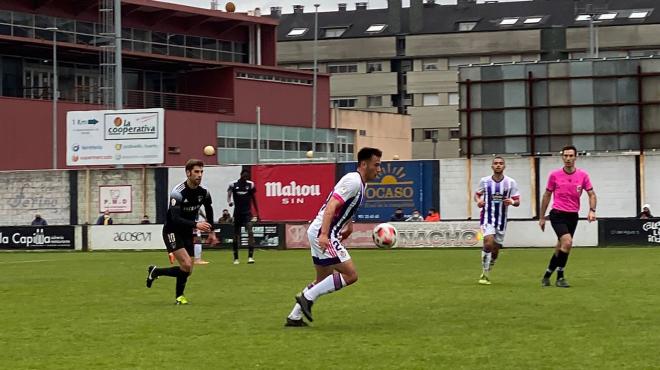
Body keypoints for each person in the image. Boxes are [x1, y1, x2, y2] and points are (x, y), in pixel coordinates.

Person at [285, 147, 382, 327]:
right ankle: (307, 297)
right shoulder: (353, 180)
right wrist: (324, 234)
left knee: (323, 280)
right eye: (376, 165)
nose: (379, 169)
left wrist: (349, 226)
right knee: (351, 275)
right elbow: (331, 205)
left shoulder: (360, 183)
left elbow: (345, 207)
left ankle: (294, 317)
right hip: (324, 232)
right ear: (363, 164)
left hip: (323, 231)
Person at [145, 159, 218, 305]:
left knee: (188, 269)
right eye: (196, 172)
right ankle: (179, 297)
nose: (199, 175)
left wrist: (212, 232)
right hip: (172, 230)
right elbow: (175, 218)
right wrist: (197, 224)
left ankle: (157, 271)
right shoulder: (177, 193)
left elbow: (209, 209)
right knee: (185, 264)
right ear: (188, 173)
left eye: (201, 172)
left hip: (186, 231)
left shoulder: (203, 192)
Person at [539, 145, 597, 288]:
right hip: (557, 214)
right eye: (565, 156)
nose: (568, 159)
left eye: (571, 156)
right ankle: (560, 277)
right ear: (562, 157)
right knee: (568, 242)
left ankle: (547, 275)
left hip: (573, 215)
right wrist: (541, 217)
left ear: (575, 157)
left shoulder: (583, 176)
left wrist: (592, 210)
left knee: (561, 246)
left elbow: (592, 194)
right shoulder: (554, 175)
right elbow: (546, 195)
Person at [474, 156, 520, 285]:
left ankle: (490, 265)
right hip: (487, 218)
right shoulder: (485, 181)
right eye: (496, 163)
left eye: (500, 163)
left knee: (495, 249)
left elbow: (517, 201)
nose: (498, 165)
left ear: (504, 166)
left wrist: (511, 201)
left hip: (501, 220)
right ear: (492, 166)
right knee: (488, 243)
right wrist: (479, 201)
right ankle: (484, 274)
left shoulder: (511, 182)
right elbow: (477, 194)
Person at [227, 170, 259, 265]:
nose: (245, 178)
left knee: (250, 232)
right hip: (237, 213)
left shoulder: (250, 185)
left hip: (247, 213)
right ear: (241, 175)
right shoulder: (233, 184)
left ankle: (250, 257)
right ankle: (236, 258)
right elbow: (229, 195)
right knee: (236, 235)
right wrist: (229, 202)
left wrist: (257, 212)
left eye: (247, 176)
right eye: (244, 176)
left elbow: (254, 198)